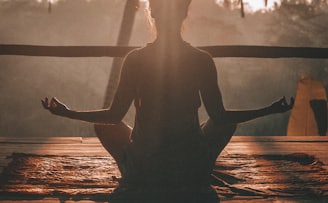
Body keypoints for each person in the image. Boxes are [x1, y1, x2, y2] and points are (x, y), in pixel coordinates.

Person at [42, 0, 294, 202]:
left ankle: (133, 174)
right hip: (190, 165)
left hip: (146, 166)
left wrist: (68, 112)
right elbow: (220, 117)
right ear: (185, 13)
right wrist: (269, 110)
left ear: (152, 13)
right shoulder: (201, 60)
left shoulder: (135, 59)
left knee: (104, 126)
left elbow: (113, 116)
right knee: (225, 123)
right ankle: (201, 169)